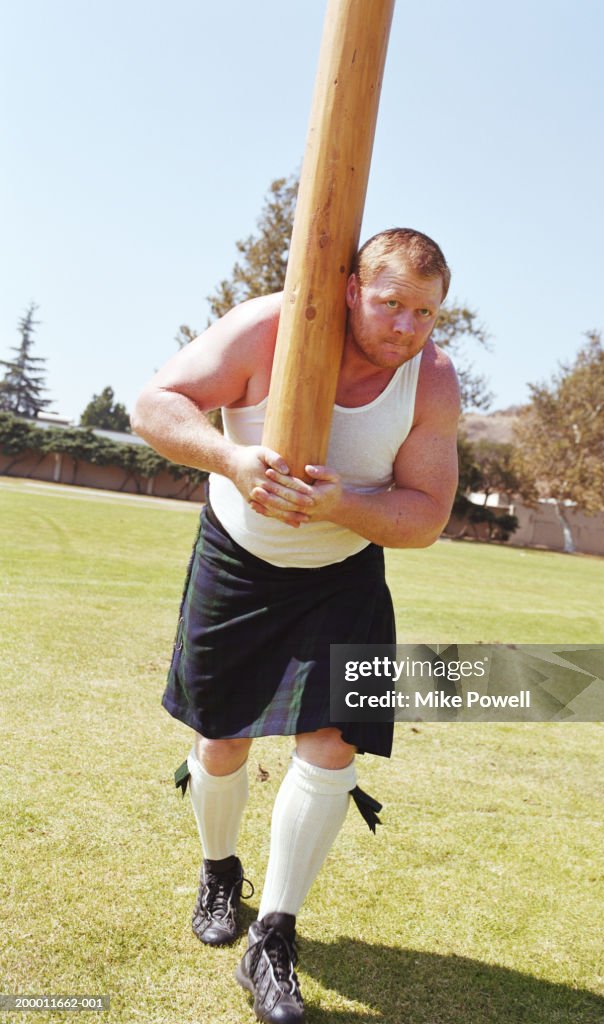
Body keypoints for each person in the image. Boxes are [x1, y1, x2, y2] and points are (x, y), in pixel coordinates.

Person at [132, 228, 460, 1024]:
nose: (407, 328)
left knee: (332, 742)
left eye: (426, 312)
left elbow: (425, 516)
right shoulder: (267, 327)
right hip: (239, 561)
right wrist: (231, 459)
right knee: (222, 743)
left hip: (343, 576)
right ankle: (218, 870)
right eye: (391, 304)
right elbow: (154, 406)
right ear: (352, 289)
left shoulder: (434, 380)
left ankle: (272, 938)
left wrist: (343, 502)